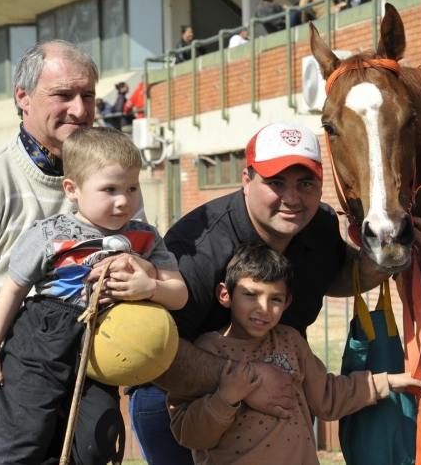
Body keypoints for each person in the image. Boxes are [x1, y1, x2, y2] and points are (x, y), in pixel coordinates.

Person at [0, 39, 149, 465]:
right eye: (62, 95)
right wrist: (15, 378)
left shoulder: (119, 188)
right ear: (22, 97)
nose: (79, 109)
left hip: (80, 398)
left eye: (89, 95)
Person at [129, 122, 391, 464]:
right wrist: (251, 380)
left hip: (278, 393)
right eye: (276, 182)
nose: (292, 198)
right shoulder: (198, 248)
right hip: (179, 396)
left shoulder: (319, 226)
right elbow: (154, 353)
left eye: (306, 183)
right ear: (246, 180)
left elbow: (336, 276)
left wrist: (381, 260)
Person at [0, 127, 187, 464]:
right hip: (42, 338)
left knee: (99, 441)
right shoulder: (49, 233)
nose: (124, 200)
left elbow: (179, 294)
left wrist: (151, 288)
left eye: (131, 188)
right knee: (23, 440)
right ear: (72, 189)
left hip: (101, 348)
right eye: (110, 189)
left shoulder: (145, 238)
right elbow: (13, 290)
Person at [167, 241, 421, 465]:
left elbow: (327, 397)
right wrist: (226, 397)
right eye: (251, 294)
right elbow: (189, 434)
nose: (263, 308)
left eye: (275, 299)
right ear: (225, 294)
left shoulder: (290, 341)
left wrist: (388, 382)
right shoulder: (203, 353)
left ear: (287, 303)